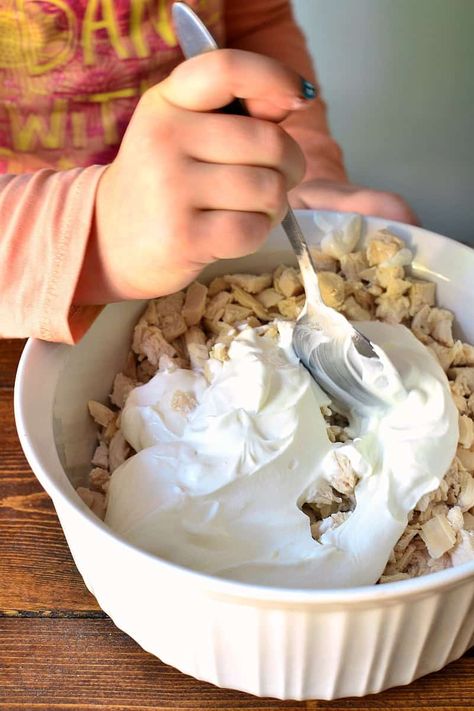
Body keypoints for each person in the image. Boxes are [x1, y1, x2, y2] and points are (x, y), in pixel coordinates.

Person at [0, 0, 417, 343]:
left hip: (216, 223)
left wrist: (297, 165)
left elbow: (255, 20)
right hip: (32, 295)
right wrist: (95, 236)